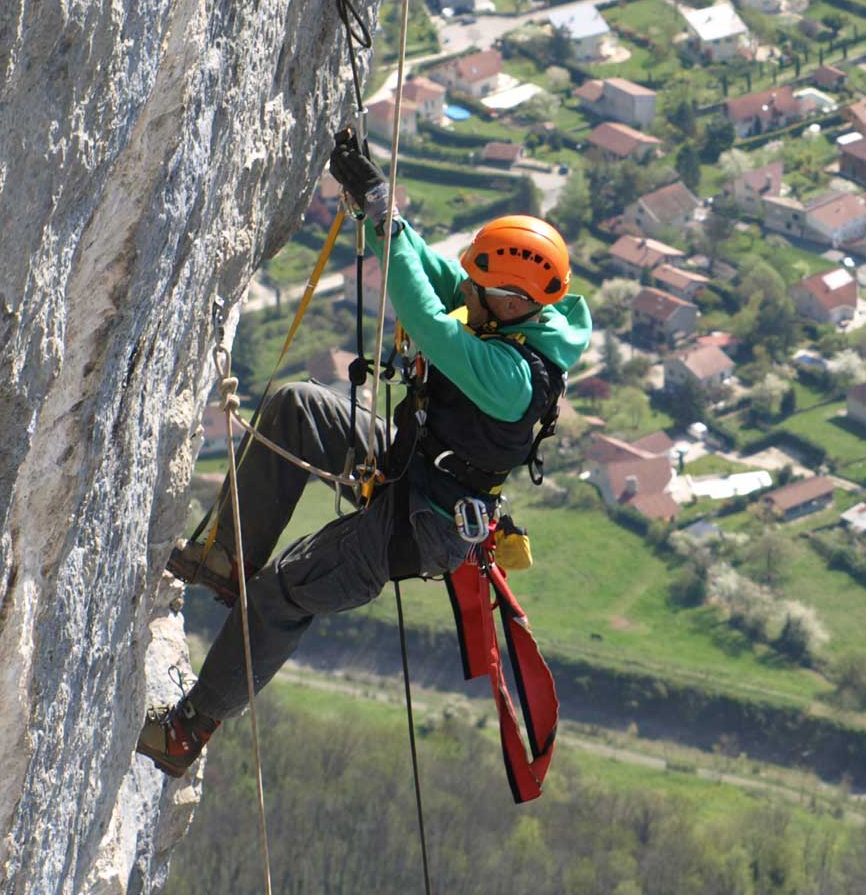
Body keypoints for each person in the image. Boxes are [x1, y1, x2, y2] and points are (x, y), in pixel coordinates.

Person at [137, 135, 590, 777]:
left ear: (513, 301)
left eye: (482, 285)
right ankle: (224, 557)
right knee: (299, 407)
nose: (469, 287)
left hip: (421, 524)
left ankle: (186, 732)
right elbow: (438, 279)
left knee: (280, 596)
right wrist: (387, 218)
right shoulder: (512, 316)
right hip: (411, 466)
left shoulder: (512, 376)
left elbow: (431, 323)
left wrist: (382, 220)